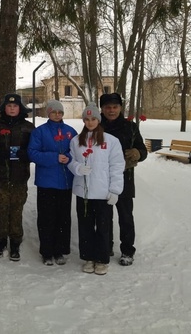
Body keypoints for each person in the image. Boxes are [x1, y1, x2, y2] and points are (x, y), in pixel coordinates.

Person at [68, 103, 125, 275]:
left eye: (93, 119)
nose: (90, 122)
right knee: (85, 227)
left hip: (102, 193)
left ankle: (102, 258)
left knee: (103, 227)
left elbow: (117, 166)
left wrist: (115, 190)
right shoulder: (76, 141)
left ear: (98, 120)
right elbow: (70, 160)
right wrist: (77, 168)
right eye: (87, 119)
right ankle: (88, 257)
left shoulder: (111, 141)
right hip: (83, 192)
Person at [0, 93, 35, 261]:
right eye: (9, 106)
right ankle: (1, 240)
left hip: (19, 177)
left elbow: (35, 149)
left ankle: (15, 241)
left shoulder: (28, 127)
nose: (12, 108)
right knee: (0, 208)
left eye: (15, 106)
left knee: (16, 209)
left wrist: (25, 154)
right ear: (4, 108)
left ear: (20, 108)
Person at [27, 100, 78, 266]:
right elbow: (32, 153)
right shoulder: (40, 132)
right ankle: (47, 251)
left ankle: (60, 250)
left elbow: (77, 152)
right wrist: (53, 157)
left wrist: (68, 158)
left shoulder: (71, 132)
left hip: (65, 182)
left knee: (63, 218)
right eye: (54, 112)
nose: (57, 115)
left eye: (60, 112)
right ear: (48, 113)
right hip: (46, 182)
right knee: (47, 218)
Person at [100, 92, 148, 266]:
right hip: (102, 179)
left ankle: (127, 250)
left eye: (115, 107)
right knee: (104, 216)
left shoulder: (131, 127)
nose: (111, 110)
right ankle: (106, 246)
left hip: (125, 179)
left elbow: (142, 150)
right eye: (107, 107)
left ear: (120, 108)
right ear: (102, 109)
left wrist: (137, 153)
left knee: (125, 216)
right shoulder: (96, 126)